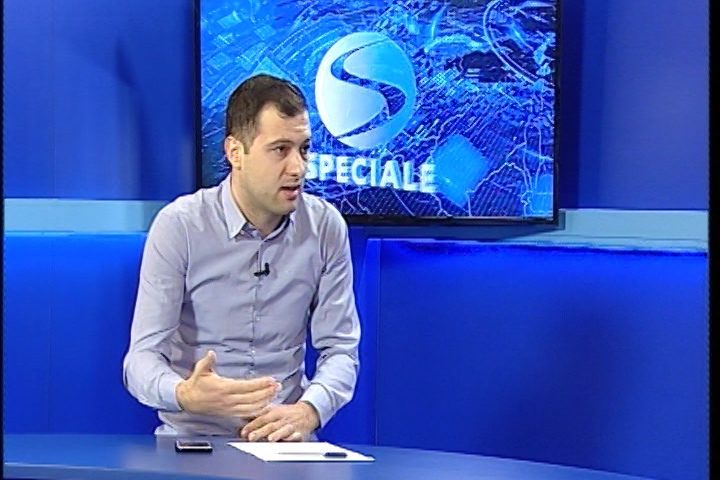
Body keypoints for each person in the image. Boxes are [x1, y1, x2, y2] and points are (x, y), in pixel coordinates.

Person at [123, 74, 361, 441]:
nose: (298, 168)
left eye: (304, 149)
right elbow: (140, 361)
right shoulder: (180, 226)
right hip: (194, 440)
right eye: (280, 150)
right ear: (235, 152)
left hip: (284, 442)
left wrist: (308, 412)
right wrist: (184, 394)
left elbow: (341, 350)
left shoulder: (325, 227)